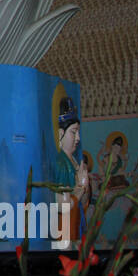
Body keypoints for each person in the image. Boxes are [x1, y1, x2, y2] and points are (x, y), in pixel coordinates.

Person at [50, 98, 89, 242]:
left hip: (76, 225)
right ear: (60, 134)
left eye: (78, 132)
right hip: (64, 230)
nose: (78, 138)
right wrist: (79, 189)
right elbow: (62, 205)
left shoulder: (73, 163)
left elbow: (84, 202)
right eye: (73, 132)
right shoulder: (61, 163)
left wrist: (84, 186)